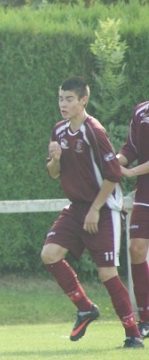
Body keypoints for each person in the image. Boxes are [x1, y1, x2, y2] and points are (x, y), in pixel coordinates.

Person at [42, 77, 142, 348]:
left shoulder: (94, 131)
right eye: (61, 98)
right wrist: (56, 158)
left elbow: (113, 176)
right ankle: (86, 308)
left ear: (83, 100)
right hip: (76, 207)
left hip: (104, 207)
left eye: (69, 99)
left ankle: (133, 334)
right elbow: (53, 173)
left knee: (107, 273)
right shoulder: (59, 130)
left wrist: (95, 210)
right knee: (49, 254)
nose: (63, 104)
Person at [116, 100, 149, 337]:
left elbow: (132, 166)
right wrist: (111, 162)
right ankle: (146, 318)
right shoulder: (140, 110)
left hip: (139, 179)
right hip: (145, 194)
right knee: (136, 249)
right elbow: (130, 149)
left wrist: (130, 172)